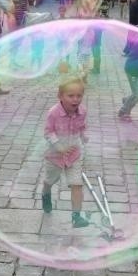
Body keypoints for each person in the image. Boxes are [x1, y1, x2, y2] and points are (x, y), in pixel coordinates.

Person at [41, 76, 90, 228]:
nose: (75, 99)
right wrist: (59, 146)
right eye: (70, 96)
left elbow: (81, 126)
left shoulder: (82, 111)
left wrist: (83, 136)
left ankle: (76, 216)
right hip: (55, 155)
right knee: (50, 180)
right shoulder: (53, 113)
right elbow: (48, 132)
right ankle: (46, 193)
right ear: (60, 96)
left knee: (77, 184)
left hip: (74, 153)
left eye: (79, 96)